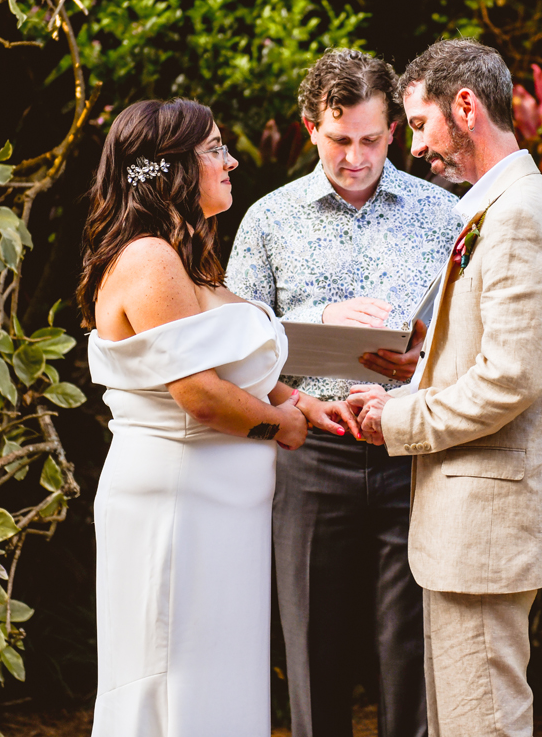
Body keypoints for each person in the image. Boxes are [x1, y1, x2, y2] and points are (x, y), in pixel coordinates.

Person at [78, 98, 358, 736]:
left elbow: (234, 368)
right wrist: (280, 427)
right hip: (177, 507)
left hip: (221, 516)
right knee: (176, 681)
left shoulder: (189, 259)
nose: (230, 161)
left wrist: (300, 401)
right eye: (214, 149)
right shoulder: (149, 258)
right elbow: (199, 393)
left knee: (217, 680)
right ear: (170, 167)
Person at [348, 39, 542, 737]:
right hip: (473, 525)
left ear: (465, 106)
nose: (416, 148)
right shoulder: (499, 207)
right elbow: (496, 353)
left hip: (489, 527)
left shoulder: (516, 217)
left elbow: (511, 379)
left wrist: (396, 419)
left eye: (419, 125)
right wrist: (422, 364)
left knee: (482, 723)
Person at [225, 49, 460, 737]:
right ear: (309, 128)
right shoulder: (267, 220)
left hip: (411, 453)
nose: (354, 156)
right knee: (312, 657)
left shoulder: (446, 217)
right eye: (338, 140)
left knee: (410, 658)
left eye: (369, 139)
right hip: (310, 455)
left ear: (393, 130)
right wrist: (315, 325)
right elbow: (234, 349)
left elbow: (470, 334)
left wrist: (425, 355)